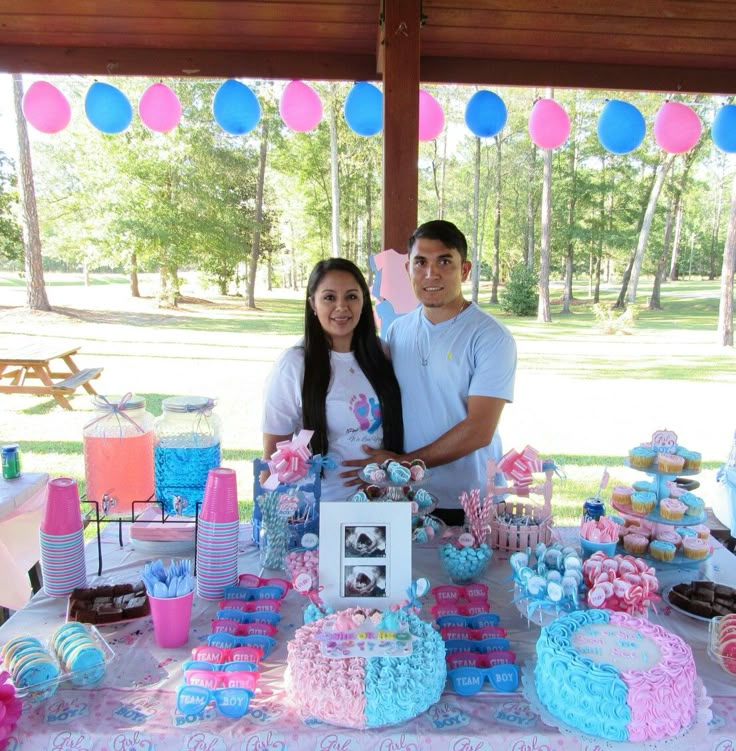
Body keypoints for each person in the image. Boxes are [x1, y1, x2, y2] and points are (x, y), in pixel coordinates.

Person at [346, 220, 517, 525]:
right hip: (408, 495)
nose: (431, 273)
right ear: (407, 269)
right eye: (420, 262)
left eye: (444, 262)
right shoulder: (399, 331)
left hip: (470, 502)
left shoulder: (490, 337)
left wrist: (405, 463)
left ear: (464, 270)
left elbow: (480, 429)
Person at [261, 258, 404, 502]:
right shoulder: (294, 363)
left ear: (363, 302)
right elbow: (272, 457)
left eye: (351, 296)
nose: (341, 307)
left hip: (383, 507)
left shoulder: (383, 354)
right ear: (313, 304)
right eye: (329, 297)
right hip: (319, 511)